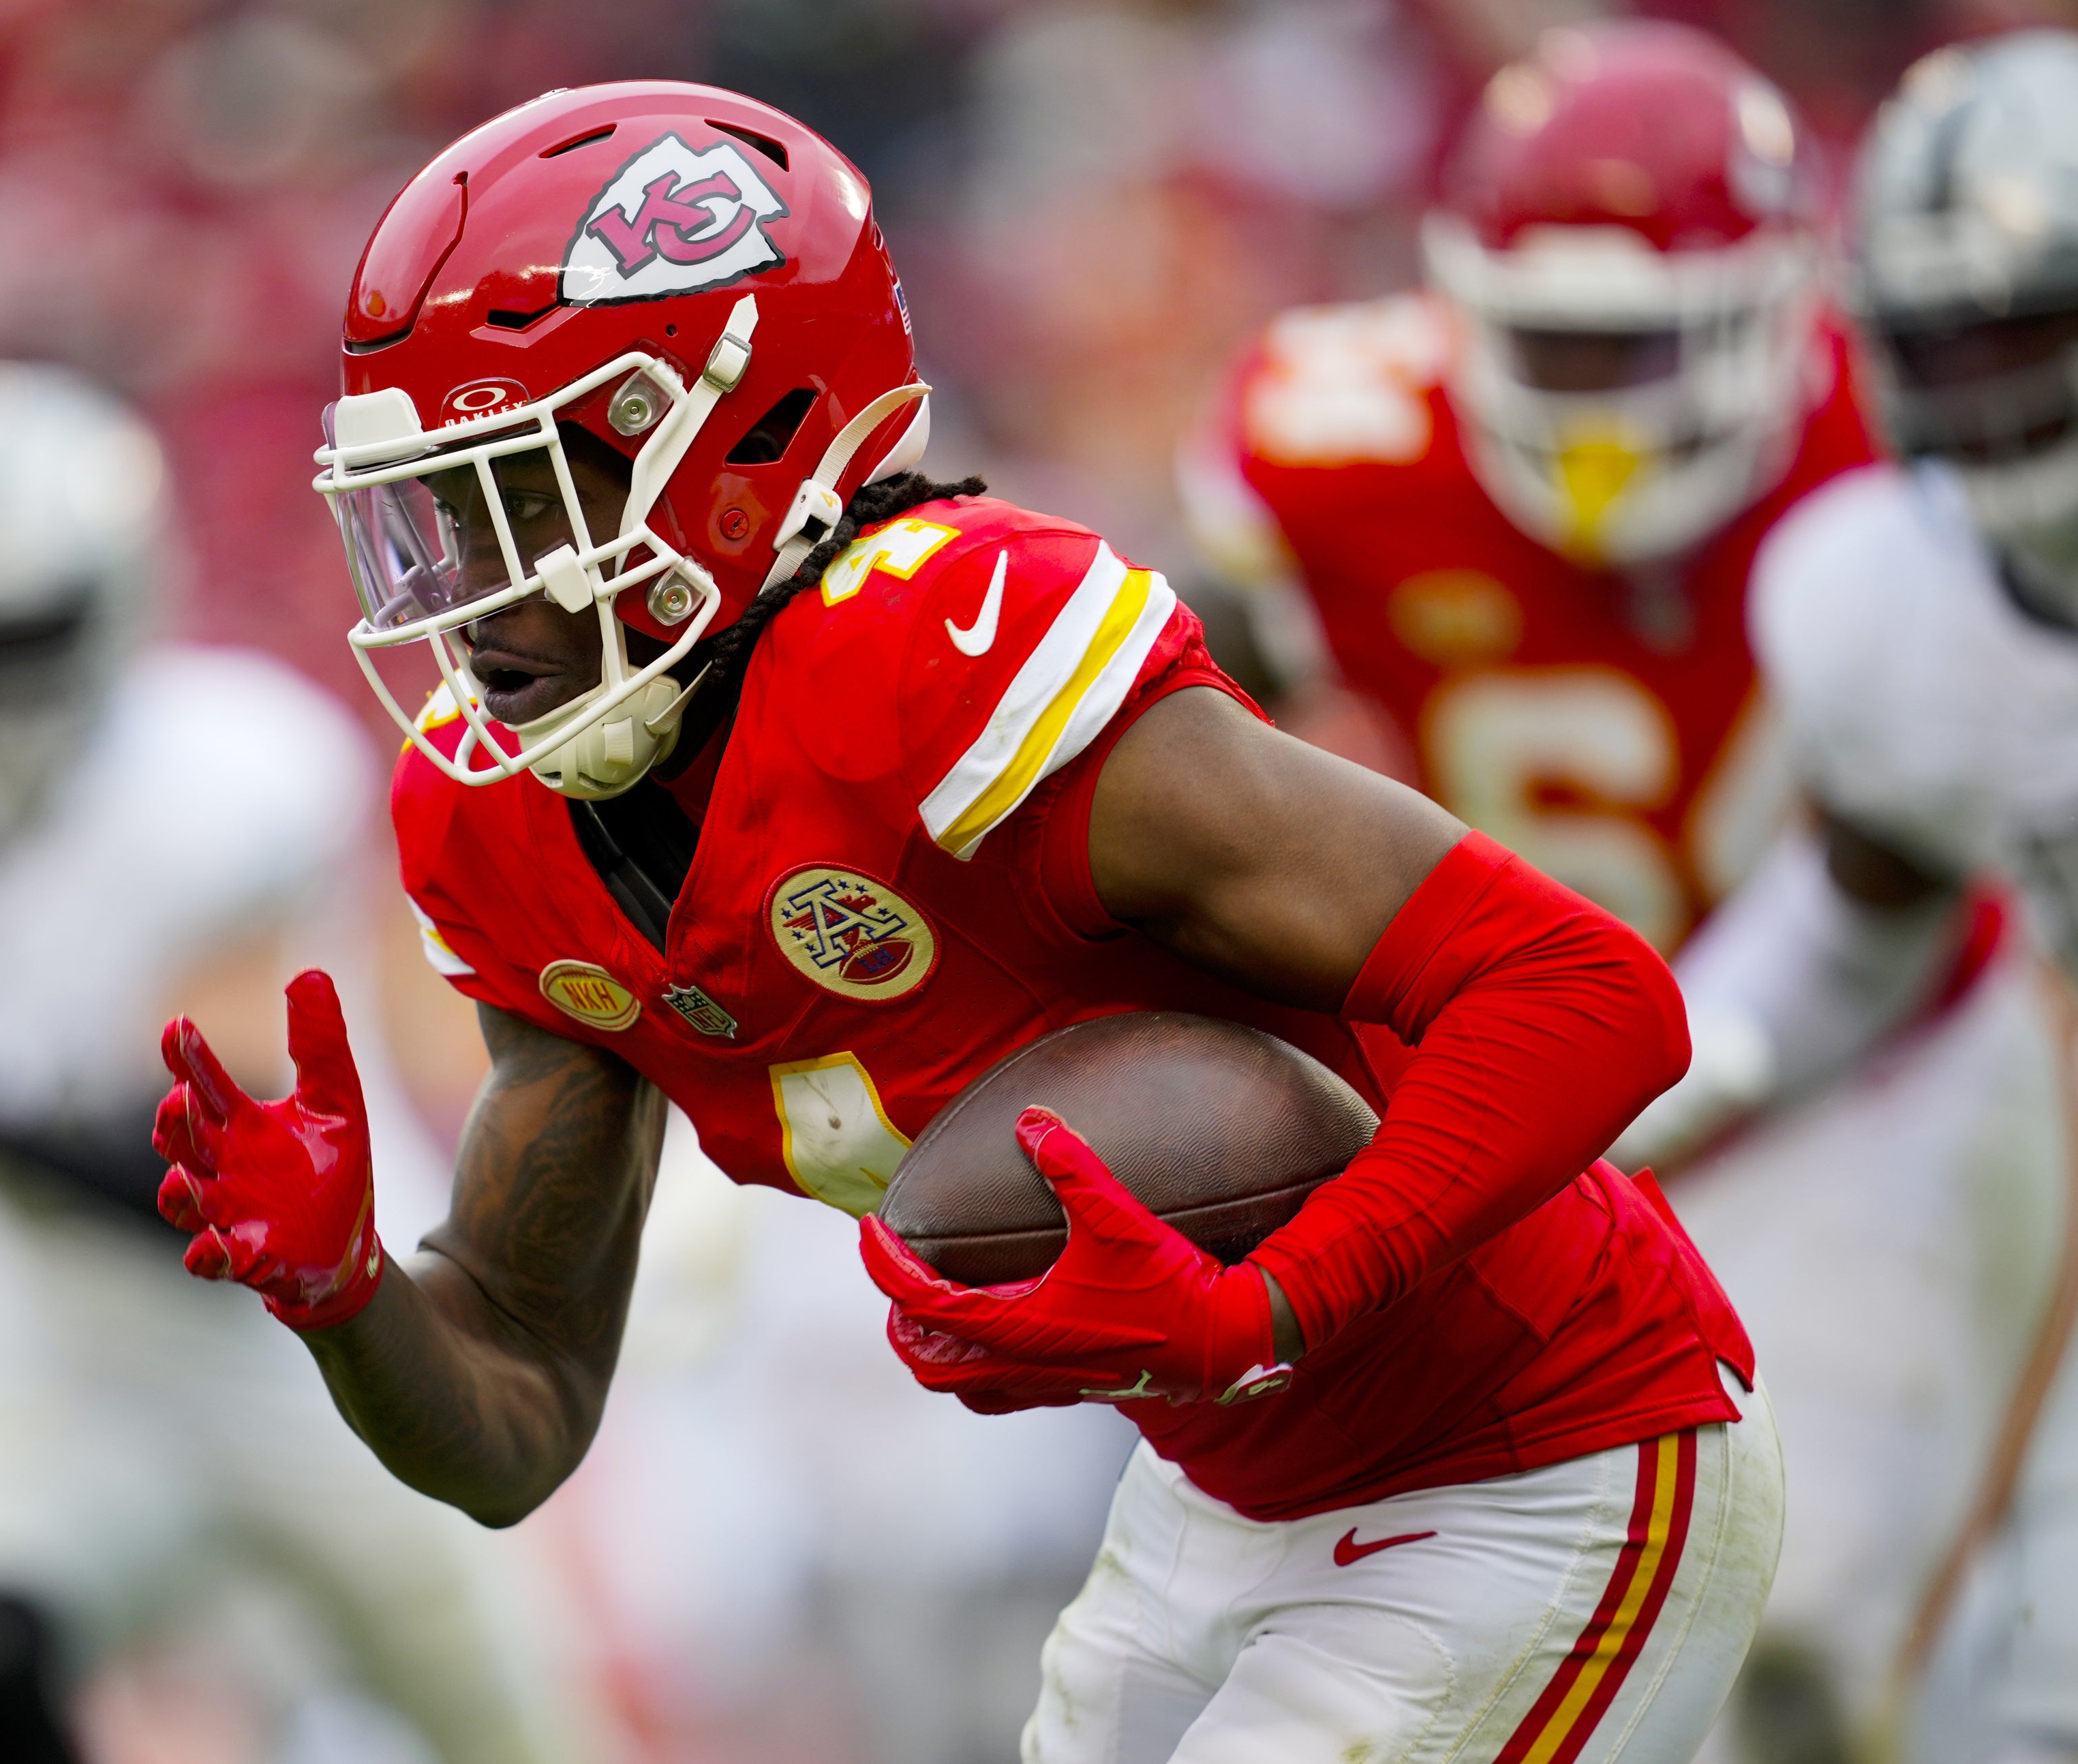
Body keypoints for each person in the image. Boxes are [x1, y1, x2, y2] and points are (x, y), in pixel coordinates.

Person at [153, 81, 1777, 1764]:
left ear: (731, 441)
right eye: (426, 518)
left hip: (1543, 1445)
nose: (464, 590)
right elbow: (517, 1417)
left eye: (520, 501)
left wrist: (1275, 1305)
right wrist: (351, 1298)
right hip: (1226, 1495)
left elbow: (1591, 992)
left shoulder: (941, 658)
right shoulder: (503, 825)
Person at [0, 362, 562, 1763]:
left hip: (320, 1360)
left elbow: (206, 1174)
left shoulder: (230, 785)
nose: (1, 670)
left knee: (515, 1732)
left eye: (30, 626)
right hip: (47, 1364)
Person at [1616, 33, 2078, 1764]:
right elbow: (1863, 907)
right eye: (1952, 341)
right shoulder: (1883, 597)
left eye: (2033, 333)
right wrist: (1669, 1072)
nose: (1993, 388)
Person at [1178, 20, 1871, 956]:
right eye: (1550, 343)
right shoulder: (1345, 455)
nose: (1598, 414)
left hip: (1862, 1041)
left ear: (1777, 312)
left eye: (1638, 347)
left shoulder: (1879, 446)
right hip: (1513, 1036)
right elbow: (1175, 726)